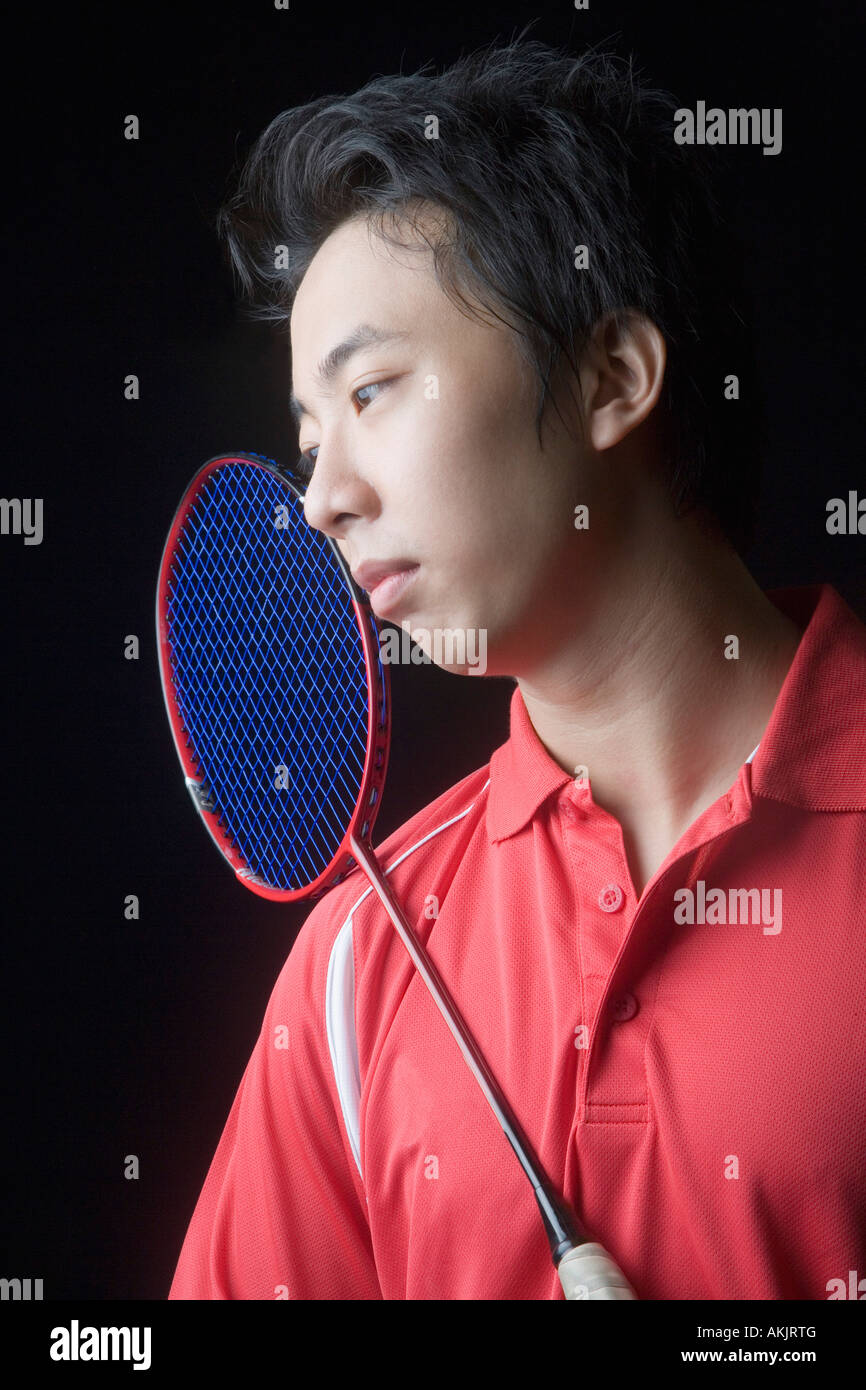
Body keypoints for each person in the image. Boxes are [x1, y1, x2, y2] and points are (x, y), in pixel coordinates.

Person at [168, 36, 866, 1300]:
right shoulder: (355, 963)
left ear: (611, 376)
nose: (319, 500)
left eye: (371, 391)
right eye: (306, 439)